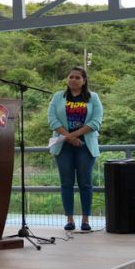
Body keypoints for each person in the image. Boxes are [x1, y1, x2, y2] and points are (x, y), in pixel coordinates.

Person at [48, 66, 103, 232]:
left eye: (77, 77)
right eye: (71, 77)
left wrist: (75, 135)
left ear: (84, 81)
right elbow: (52, 120)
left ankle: (85, 220)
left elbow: (96, 122)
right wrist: (69, 138)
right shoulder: (58, 97)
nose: (73, 80)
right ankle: (70, 220)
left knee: (85, 183)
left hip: (85, 146)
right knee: (66, 183)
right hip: (63, 146)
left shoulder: (93, 97)